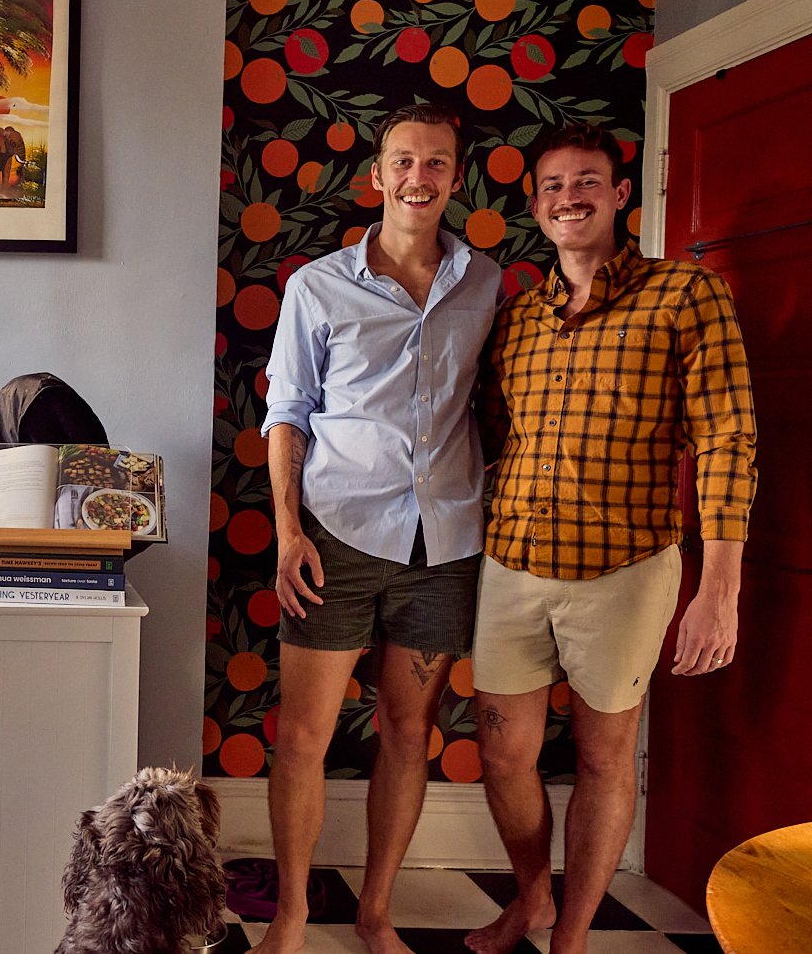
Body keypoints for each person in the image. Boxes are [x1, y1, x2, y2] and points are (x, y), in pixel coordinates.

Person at [464, 124, 756, 954]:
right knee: (503, 753)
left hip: (625, 567)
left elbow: (729, 437)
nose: (570, 197)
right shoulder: (517, 317)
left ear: (621, 193)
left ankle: (574, 937)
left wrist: (718, 587)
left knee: (603, 757)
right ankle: (533, 899)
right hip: (513, 558)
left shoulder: (685, 295)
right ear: (535, 205)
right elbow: (488, 435)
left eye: (587, 181)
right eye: (553, 185)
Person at [256, 102, 504, 954]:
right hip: (335, 535)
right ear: (377, 174)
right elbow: (286, 413)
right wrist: (289, 531)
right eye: (405, 160)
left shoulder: (488, 283)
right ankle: (290, 918)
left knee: (409, 731)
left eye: (437, 163)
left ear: (454, 177)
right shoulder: (315, 286)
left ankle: (375, 912)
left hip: (446, 546)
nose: (419, 177)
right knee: (305, 734)